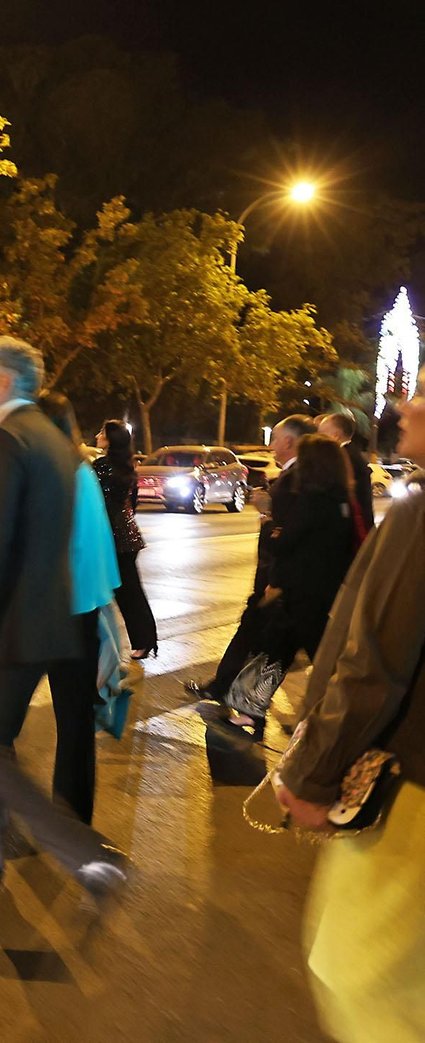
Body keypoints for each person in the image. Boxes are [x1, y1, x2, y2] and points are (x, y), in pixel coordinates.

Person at [0, 337, 130, 901]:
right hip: (45, 622)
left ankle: (83, 850)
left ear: (5, 384)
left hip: (2, 626)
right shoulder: (54, 442)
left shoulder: (5, 441)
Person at [278, 395, 424, 1042]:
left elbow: (375, 662)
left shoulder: (421, 512)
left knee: (356, 973)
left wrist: (311, 773)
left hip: (414, 792)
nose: (404, 403)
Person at [184, 415, 320, 718]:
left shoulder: (299, 479)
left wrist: (267, 516)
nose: (271, 446)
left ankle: (243, 700)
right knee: (260, 635)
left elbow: (289, 533)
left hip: (281, 579)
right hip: (282, 578)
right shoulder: (298, 476)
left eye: (275, 439)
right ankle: (230, 691)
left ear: (288, 441)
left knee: (278, 644)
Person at [38, 392, 123, 825]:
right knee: (75, 722)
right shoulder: (81, 468)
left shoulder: (55, 472)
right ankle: (73, 814)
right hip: (83, 608)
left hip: (53, 611)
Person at [94, 420, 158, 659]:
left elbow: (94, 501)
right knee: (130, 590)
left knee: (121, 592)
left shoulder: (101, 467)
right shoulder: (129, 466)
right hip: (128, 535)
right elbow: (132, 504)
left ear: (111, 439)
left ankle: (141, 641)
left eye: (102, 432)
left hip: (112, 537)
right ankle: (144, 640)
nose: (97, 435)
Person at [317, 411, 375, 534]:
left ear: (336, 435)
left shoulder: (343, 457)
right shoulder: (351, 453)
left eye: (321, 433)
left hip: (350, 530)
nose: (318, 438)